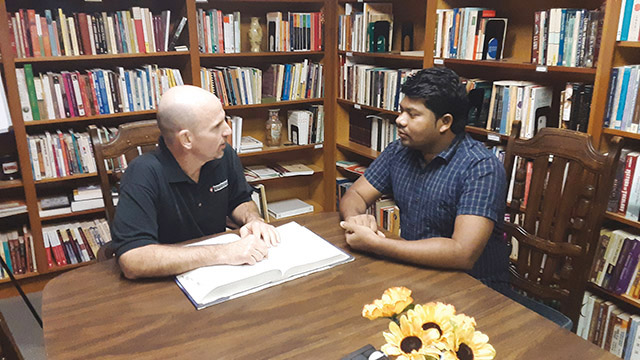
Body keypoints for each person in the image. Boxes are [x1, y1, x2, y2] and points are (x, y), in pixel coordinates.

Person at [339, 67, 509, 287]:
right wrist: (356, 219)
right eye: (401, 111)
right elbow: (356, 194)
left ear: (445, 122)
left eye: (413, 114)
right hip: (415, 271)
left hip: (473, 287)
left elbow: (462, 253)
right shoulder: (399, 151)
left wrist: (376, 245)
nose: (400, 120)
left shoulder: (480, 167)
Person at [111, 85, 279, 279]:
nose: (228, 130)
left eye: (224, 120)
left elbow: (239, 200)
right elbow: (133, 259)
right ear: (187, 139)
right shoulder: (142, 174)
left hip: (217, 275)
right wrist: (224, 252)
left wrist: (253, 220)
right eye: (217, 126)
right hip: (164, 285)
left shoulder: (222, 155)